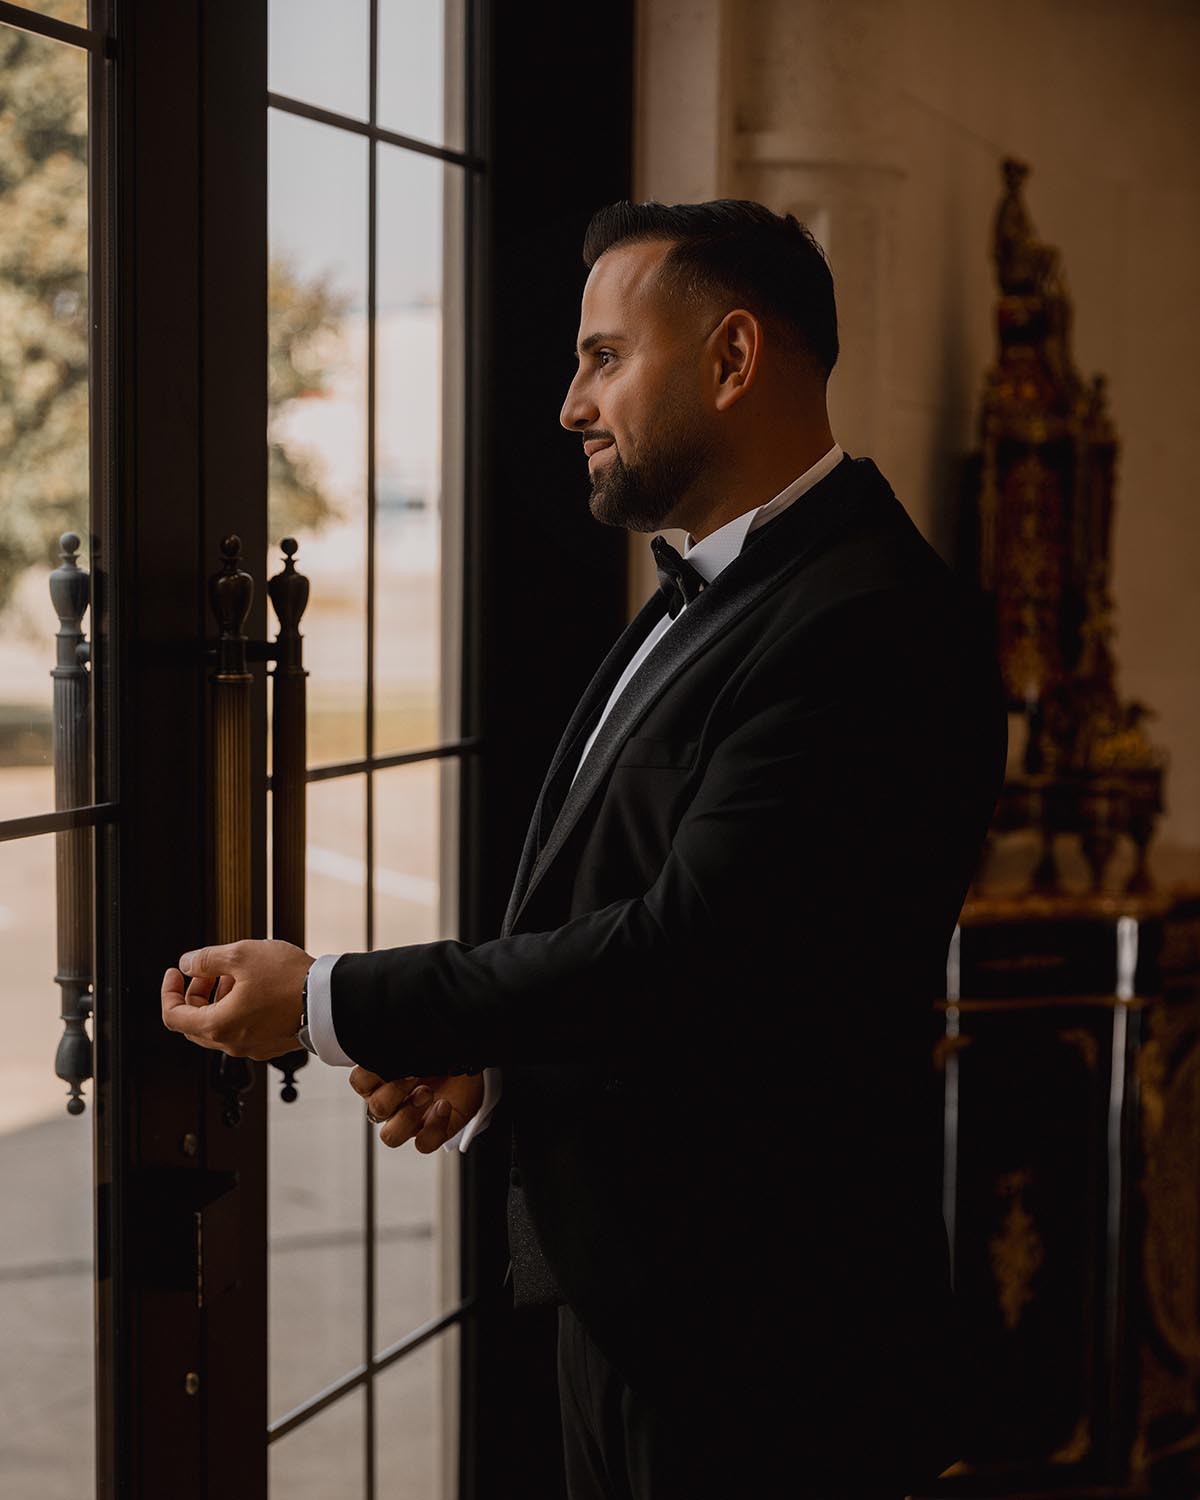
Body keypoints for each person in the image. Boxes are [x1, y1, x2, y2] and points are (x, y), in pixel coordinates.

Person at [162, 199, 1007, 1499]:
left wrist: (330, 999)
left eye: (605, 356)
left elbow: (693, 952)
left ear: (732, 360)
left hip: (768, 1346)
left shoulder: (878, 623)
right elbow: (676, 932)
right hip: (635, 1308)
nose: (570, 403)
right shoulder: (719, 593)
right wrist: (499, 1054)